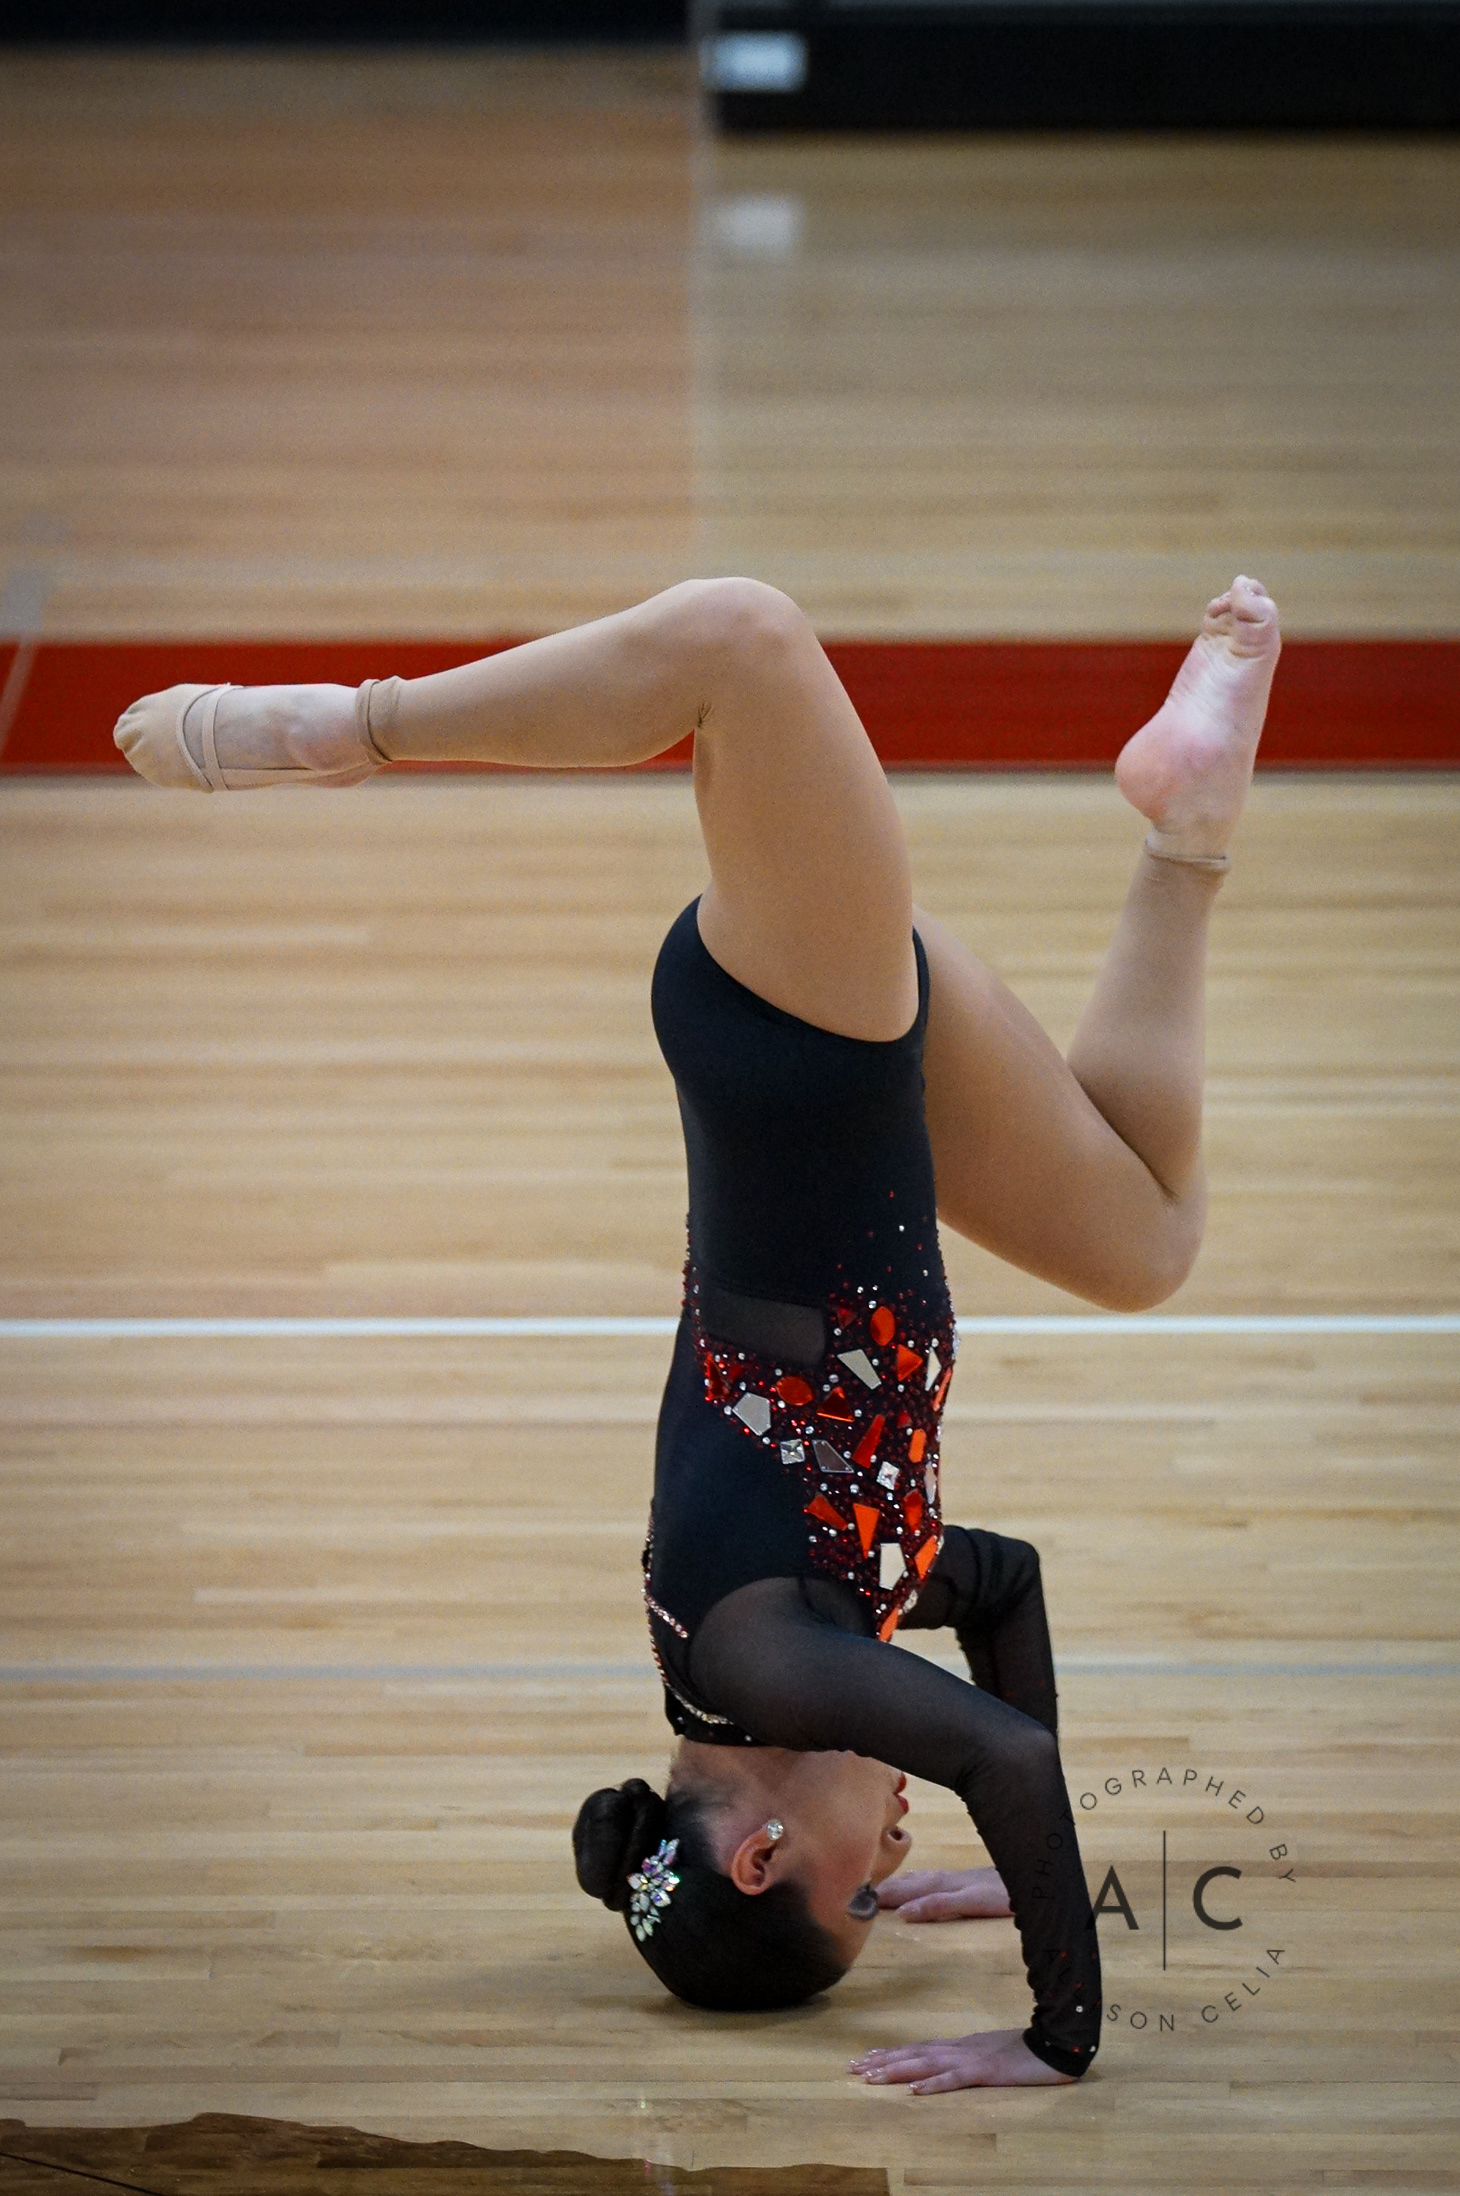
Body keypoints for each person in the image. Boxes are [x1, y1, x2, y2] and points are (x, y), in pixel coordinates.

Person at [114, 572, 1282, 2090]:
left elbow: (1006, 1757)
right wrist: (1011, 1871)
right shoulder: (803, 1636)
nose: (897, 1858)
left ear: (761, 1855)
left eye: (859, 1894)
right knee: (1144, 1241)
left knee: (741, 639)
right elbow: (1005, 1586)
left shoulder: (762, 1654)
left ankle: (342, 732)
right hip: (861, 1074)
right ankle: (1186, 819)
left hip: (798, 1039)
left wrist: (1058, 2038)